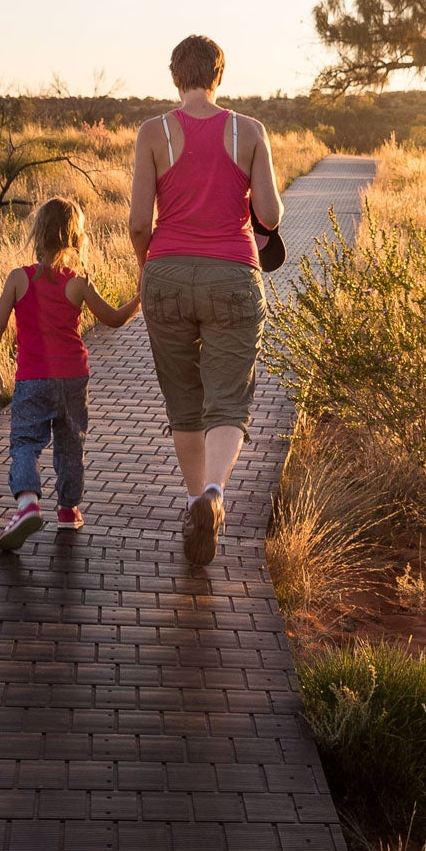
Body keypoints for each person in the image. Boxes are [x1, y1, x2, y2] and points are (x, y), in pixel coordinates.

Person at [129, 34, 283, 566]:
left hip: (167, 272)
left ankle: (194, 498)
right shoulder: (250, 131)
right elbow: (270, 214)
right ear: (220, 75)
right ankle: (215, 493)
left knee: (183, 397)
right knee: (228, 397)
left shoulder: (153, 132)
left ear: (175, 76)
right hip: (233, 275)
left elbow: (136, 221)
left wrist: (148, 265)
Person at [0, 195, 140, 551]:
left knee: (25, 441)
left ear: (38, 234)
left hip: (32, 378)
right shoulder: (78, 283)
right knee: (70, 444)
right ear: (75, 238)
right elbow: (113, 319)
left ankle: (27, 504)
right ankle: (68, 510)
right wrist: (137, 299)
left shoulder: (18, 279)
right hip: (73, 377)